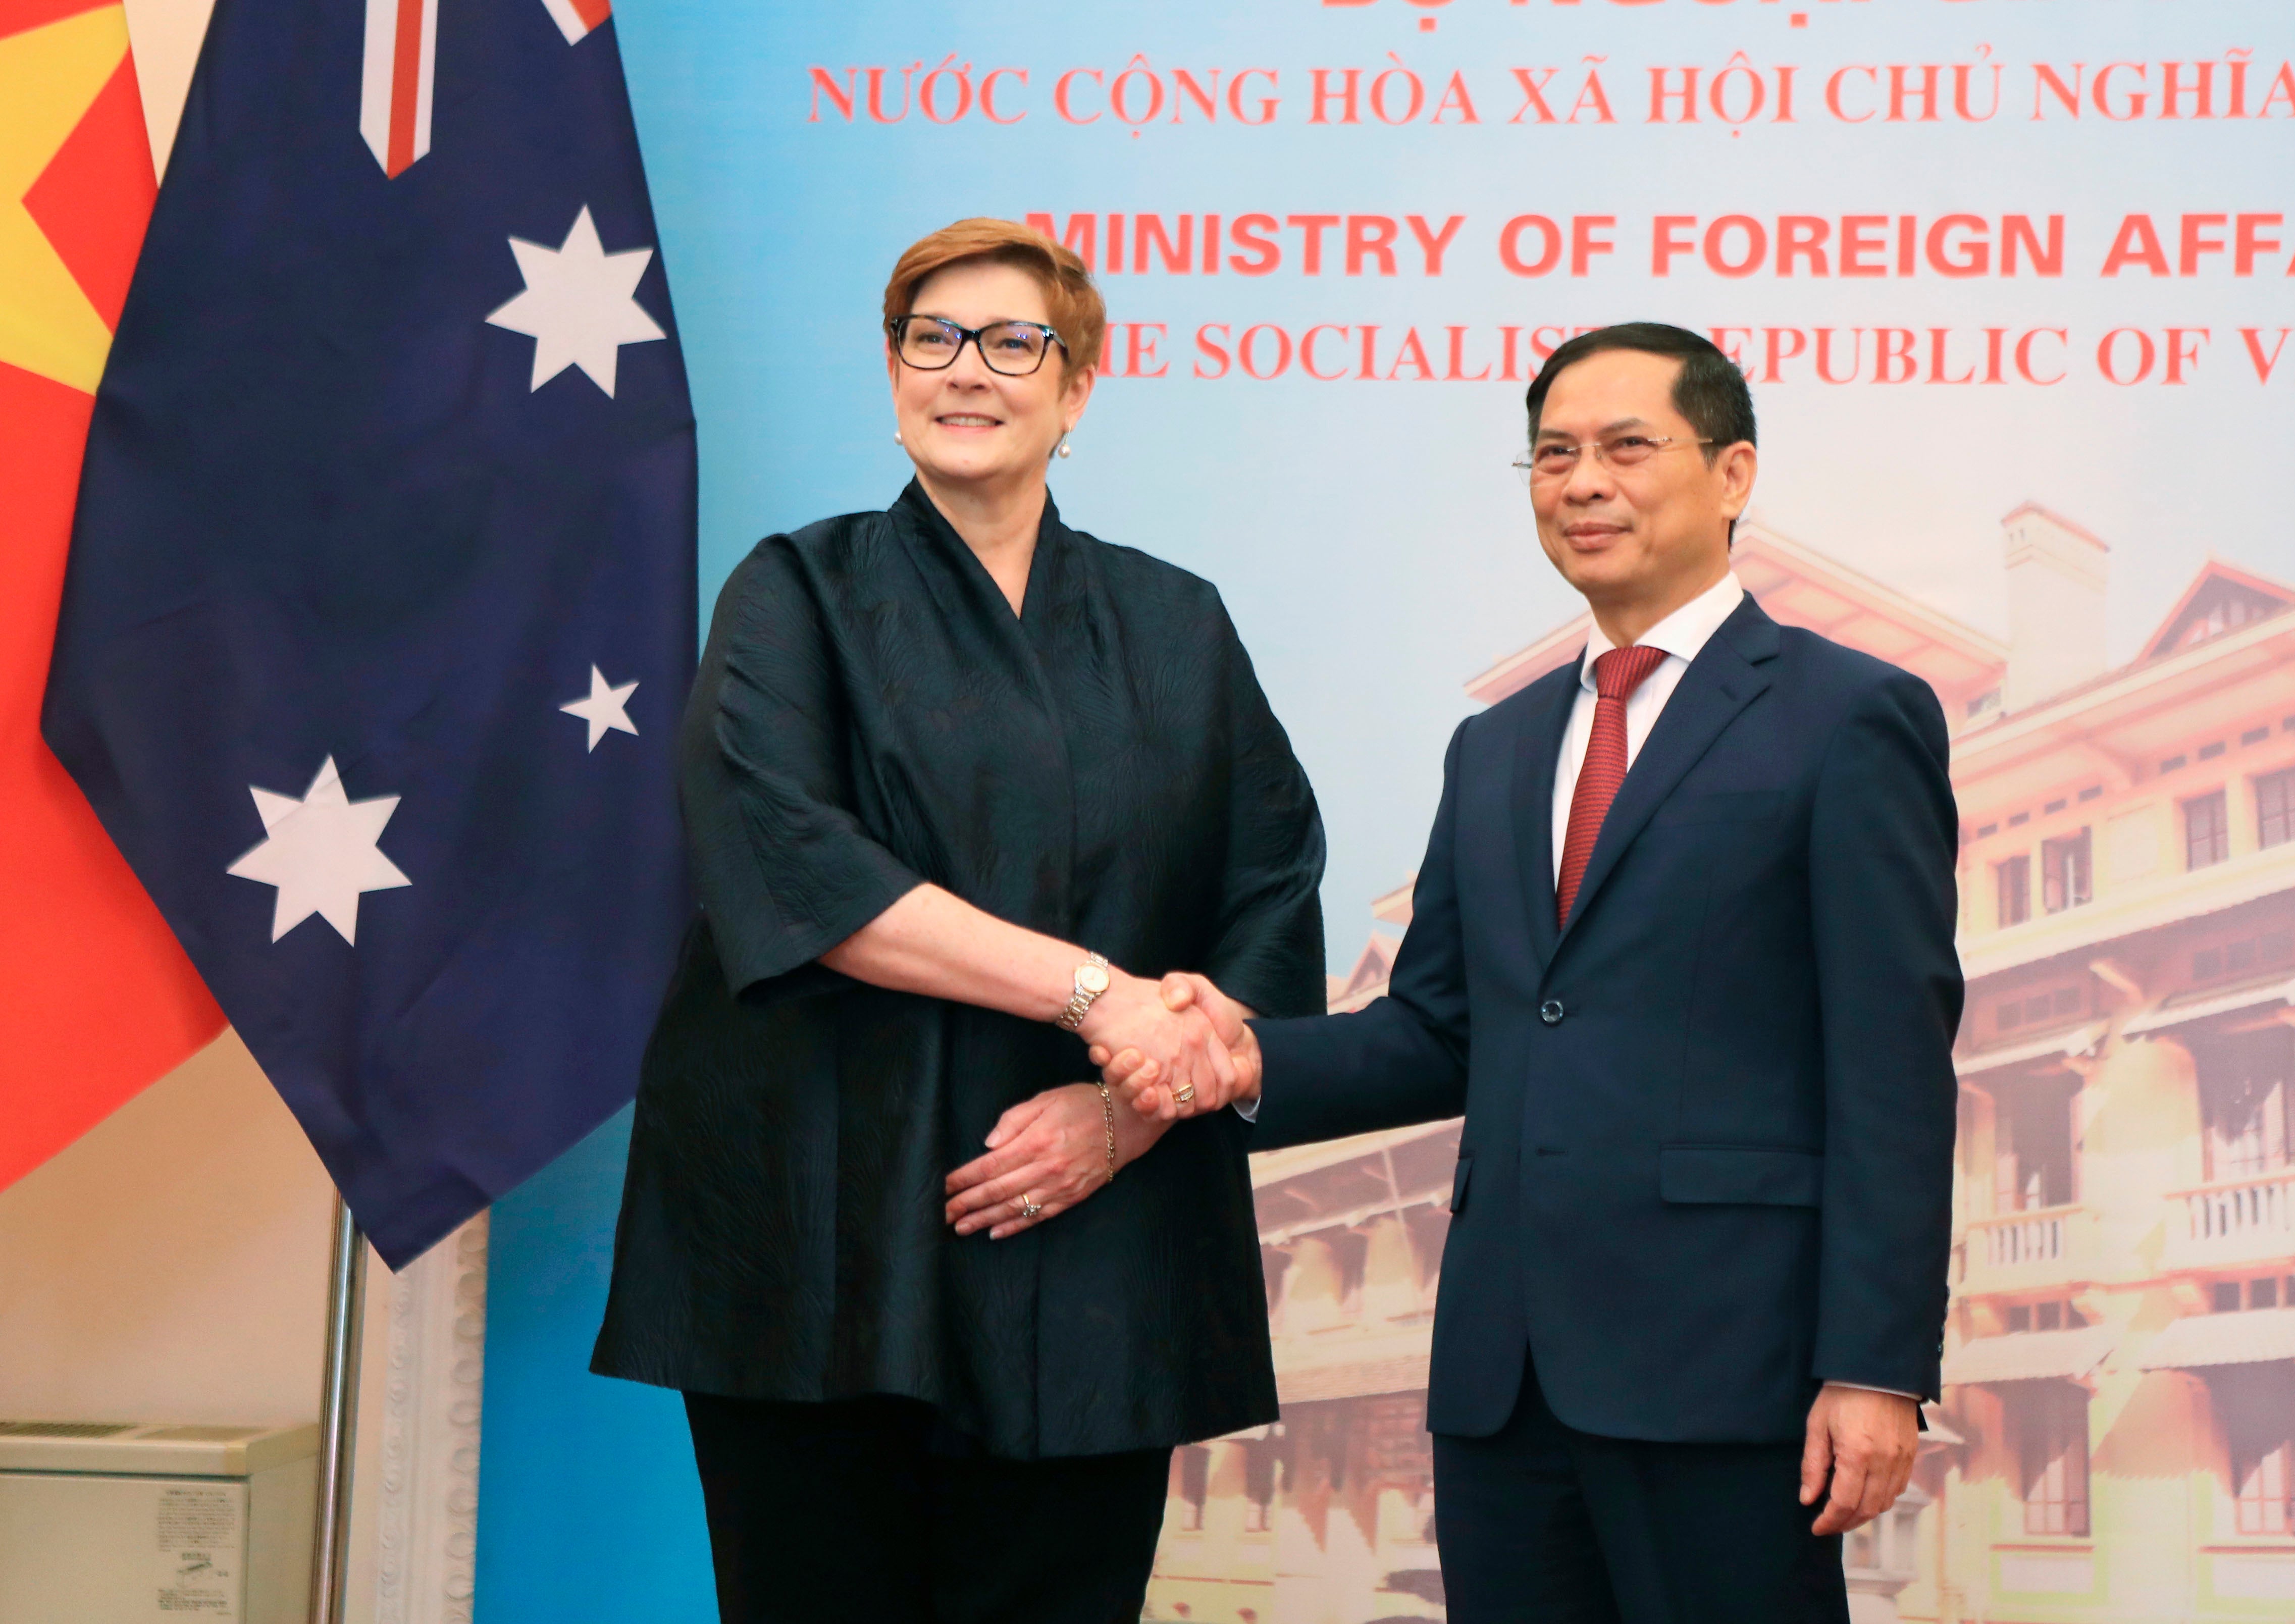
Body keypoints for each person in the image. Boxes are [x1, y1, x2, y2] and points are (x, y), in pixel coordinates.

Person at [1105, 324, 1962, 1623]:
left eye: (1626, 446)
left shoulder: (1848, 716)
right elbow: (1442, 1030)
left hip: (1732, 1374)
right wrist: (1243, 1057)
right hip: (1505, 1381)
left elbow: (1893, 1067)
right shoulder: (1493, 748)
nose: (1581, 481)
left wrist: (1876, 1366)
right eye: (1552, 453)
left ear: (1732, 473)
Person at [591, 218, 1327, 1624]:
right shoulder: (793, 592)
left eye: (1012, 341)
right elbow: (795, 867)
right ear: (892, 371)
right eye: (930, 338)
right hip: (820, 1223)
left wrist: (1137, 1108)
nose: (966, 370)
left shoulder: (1179, 623)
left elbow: (1273, 886)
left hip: (1097, 1234)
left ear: (1079, 384)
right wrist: (1098, 995)